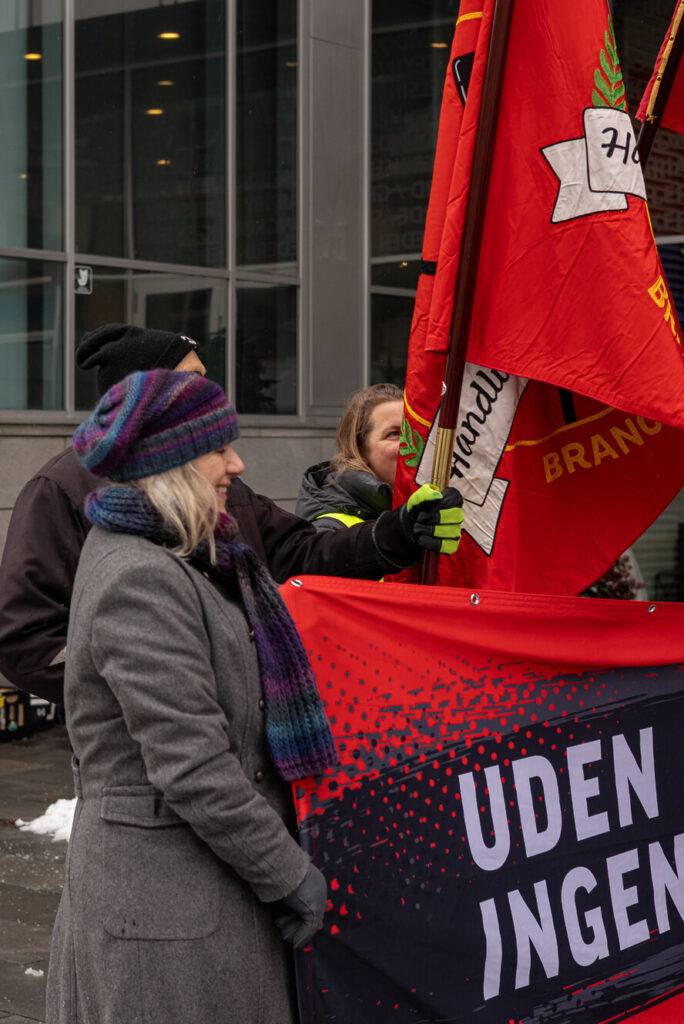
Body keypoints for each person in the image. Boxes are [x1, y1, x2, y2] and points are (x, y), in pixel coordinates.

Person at [46, 370, 330, 1022]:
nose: (237, 464)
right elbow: (194, 765)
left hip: (200, 896)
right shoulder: (139, 577)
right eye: (217, 448)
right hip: (164, 915)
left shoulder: (194, 557)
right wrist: (287, 873)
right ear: (169, 464)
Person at [0, 325, 459, 707]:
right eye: (193, 379)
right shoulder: (61, 489)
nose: (210, 391)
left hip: (241, 734)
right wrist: (149, 690)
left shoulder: (219, 482)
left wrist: (396, 533)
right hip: (140, 749)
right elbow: (26, 639)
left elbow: (302, 552)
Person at [296, 382, 403, 531]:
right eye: (394, 434)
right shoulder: (329, 531)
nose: (412, 445)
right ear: (359, 449)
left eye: (415, 432)